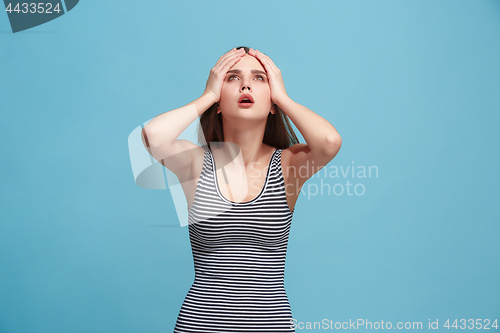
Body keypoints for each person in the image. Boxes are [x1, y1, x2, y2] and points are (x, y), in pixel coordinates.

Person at [141, 46, 342, 332]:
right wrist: (208, 95)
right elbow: (153, 136)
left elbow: (329, 142)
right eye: (232, 78)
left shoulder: (287, 167)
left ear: (271, 102)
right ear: (219, 103)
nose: (246, 84)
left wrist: (282, 96)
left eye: (259, 78)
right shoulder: (196, 163)